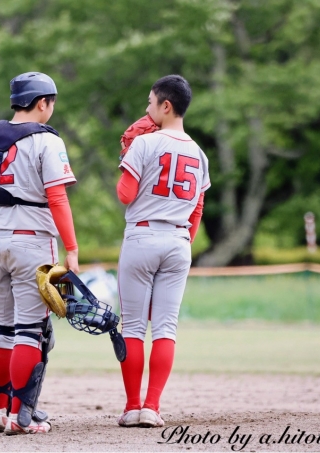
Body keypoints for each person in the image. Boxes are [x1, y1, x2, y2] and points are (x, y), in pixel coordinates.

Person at [0, 72, 80, 435]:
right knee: (30, 330)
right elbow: (57, 197)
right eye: (51, 102)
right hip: (32, 241)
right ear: (42, 103)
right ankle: (22, 416)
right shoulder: (47, 141)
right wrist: (72, 248)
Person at [115, 75, 210, 428]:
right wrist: (184, 242)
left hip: (142, 237)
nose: (147, 108)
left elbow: (125, 194)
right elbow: (197, 209)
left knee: (133, 327)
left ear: (165, 106)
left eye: (151, 101)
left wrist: (127, 153)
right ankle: (152, 407)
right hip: (178, 241)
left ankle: (132, 407)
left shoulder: (144, 143)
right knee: (166, 329)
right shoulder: (199, 153)